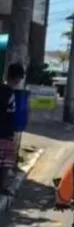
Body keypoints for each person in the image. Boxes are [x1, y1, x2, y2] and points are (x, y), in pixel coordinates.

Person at [0, 62, 24, 195]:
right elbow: (11, 113)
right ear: (17, 78)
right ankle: (3, 188)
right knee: (5, 163)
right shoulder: (10, 94)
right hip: (5, 132)